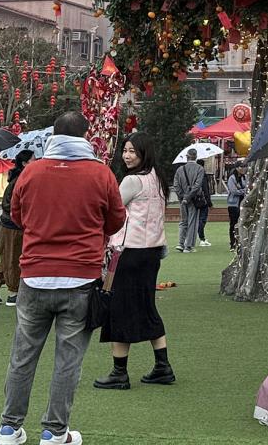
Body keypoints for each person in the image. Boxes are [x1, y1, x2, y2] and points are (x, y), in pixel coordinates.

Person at [0, 110, 126, 445]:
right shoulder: (101, 174)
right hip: (80, 279)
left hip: (35, 276)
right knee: (68, 360)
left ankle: (9, 428)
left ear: (54, 135)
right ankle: (55, 431)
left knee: (23, 355)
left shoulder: (32, 172)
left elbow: (18, 215)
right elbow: (114, 222)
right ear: (85, 136)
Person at [94, 132, 176, 391]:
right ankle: (163, 366)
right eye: (125, 150)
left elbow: (112, 211)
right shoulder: (159, 179)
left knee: (117, 309)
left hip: (127, 253)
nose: (127, 156)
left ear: (143, 153)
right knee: (147, 306)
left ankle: (120, 372)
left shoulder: (131, 180)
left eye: (132, 151)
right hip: (152, 252)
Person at [0, 150, 33, 308]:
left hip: (12, 224)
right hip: (13, 225)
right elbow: (12, 205)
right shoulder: (20, 181)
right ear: (25, 163)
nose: (37, 161)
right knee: (13, 258)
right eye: (33, 159)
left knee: (9, 257)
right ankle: (13, 293)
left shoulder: (20, 179)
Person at [172, 150, 208, 253]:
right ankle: (188, 245)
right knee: (193, 221)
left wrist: (182, 197)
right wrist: (188, 197)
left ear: (186, 157)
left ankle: (180, 243)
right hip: (194, 198)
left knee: (183, 221)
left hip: (183, 199)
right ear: (196, 157)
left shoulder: (180, 169)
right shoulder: (200, 169)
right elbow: (197, 185)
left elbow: (176, 185)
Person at [226, 166, 247, 250]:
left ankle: (241, 243)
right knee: (233, 224)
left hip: (243, 203)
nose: (243, 169)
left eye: (244, 167)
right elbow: (233, 190)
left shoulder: (244, 178)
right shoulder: (232, 178)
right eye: (241, 167)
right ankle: (233, 243)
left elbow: (248, 187)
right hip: (233, 204)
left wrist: (242, 190)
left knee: (241, 223)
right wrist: (243, 191)